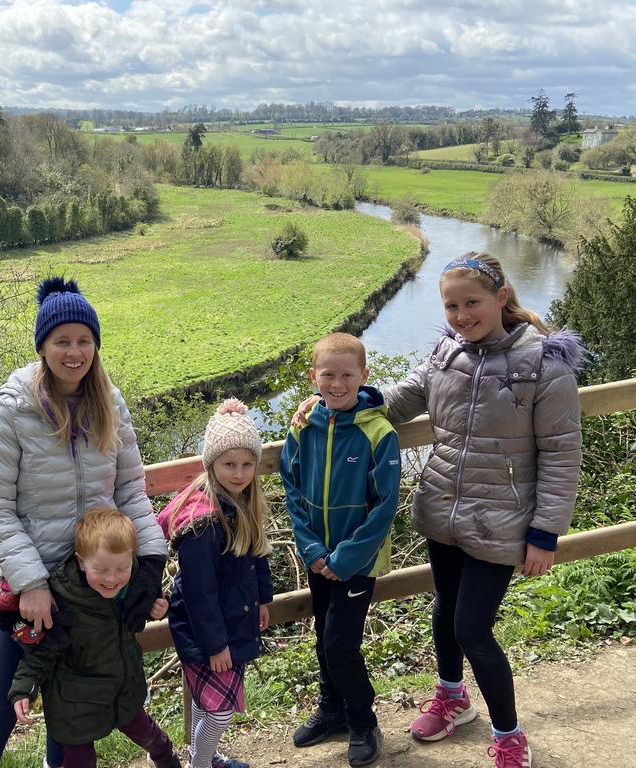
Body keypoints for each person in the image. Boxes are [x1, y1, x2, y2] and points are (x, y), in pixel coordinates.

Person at [293, 253, 584, 768]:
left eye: (472, 303)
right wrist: (331, 401)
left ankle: (509, 735)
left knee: (473, 629)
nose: (461, 315)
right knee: (445, 609)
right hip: (444, 509)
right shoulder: (447, 353)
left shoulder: (544, 363)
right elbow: (397, 400)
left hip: (503, 520)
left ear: (500, 297)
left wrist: (546, 531)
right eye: (451, 306)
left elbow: (562, 452)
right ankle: (452, 698)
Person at [0, 277, 169, 768]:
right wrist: (31, 584)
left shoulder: (109, 402)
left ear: (96, 345)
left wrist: (151, 563)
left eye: (84, 341)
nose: (75, 352)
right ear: (42, 346)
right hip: (36, 590)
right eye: (62, 341)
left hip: (94, 585)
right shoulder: (14, 407)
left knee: (68, 714)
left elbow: (130, 492)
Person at [280, 332, 401, 767]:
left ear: (363, 376)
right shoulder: (302, 426)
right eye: (328, 375)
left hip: (357, 562)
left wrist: (346, 558)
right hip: (317, 556)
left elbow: (385, 505)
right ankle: (331, 709)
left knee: (340, 644)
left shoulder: (379, 433)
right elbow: (291, 486)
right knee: (323, 637)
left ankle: (363, 720)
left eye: (347, 375)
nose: (337, 383)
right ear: (314, 376)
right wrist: (310, 548)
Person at [9, 506, 181, 768]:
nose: (112, 579)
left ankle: (166, 758)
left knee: (151, 737)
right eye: (101, 569)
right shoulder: (62, 599)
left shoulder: (134, 583)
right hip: (75, 705)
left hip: (124, 691)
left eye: (121, 568)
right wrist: (24, 688)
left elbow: (134, 617)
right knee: (81, 761)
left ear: (132, 558)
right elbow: (42, 650)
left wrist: (157, 610)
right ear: (81, 562)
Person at [159, 398, 274, 768]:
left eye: (247, 464)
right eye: (229, 464)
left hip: (234, 617)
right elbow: (199, 593)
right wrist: (215, 646)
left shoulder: (242, 502)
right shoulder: (203, 522)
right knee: (220, 712)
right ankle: (201, 762)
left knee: (206, 702)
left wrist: (263, 599)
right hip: (206, 630)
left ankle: (205, 758)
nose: (239, 473)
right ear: (211, 464)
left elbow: (257, 555)